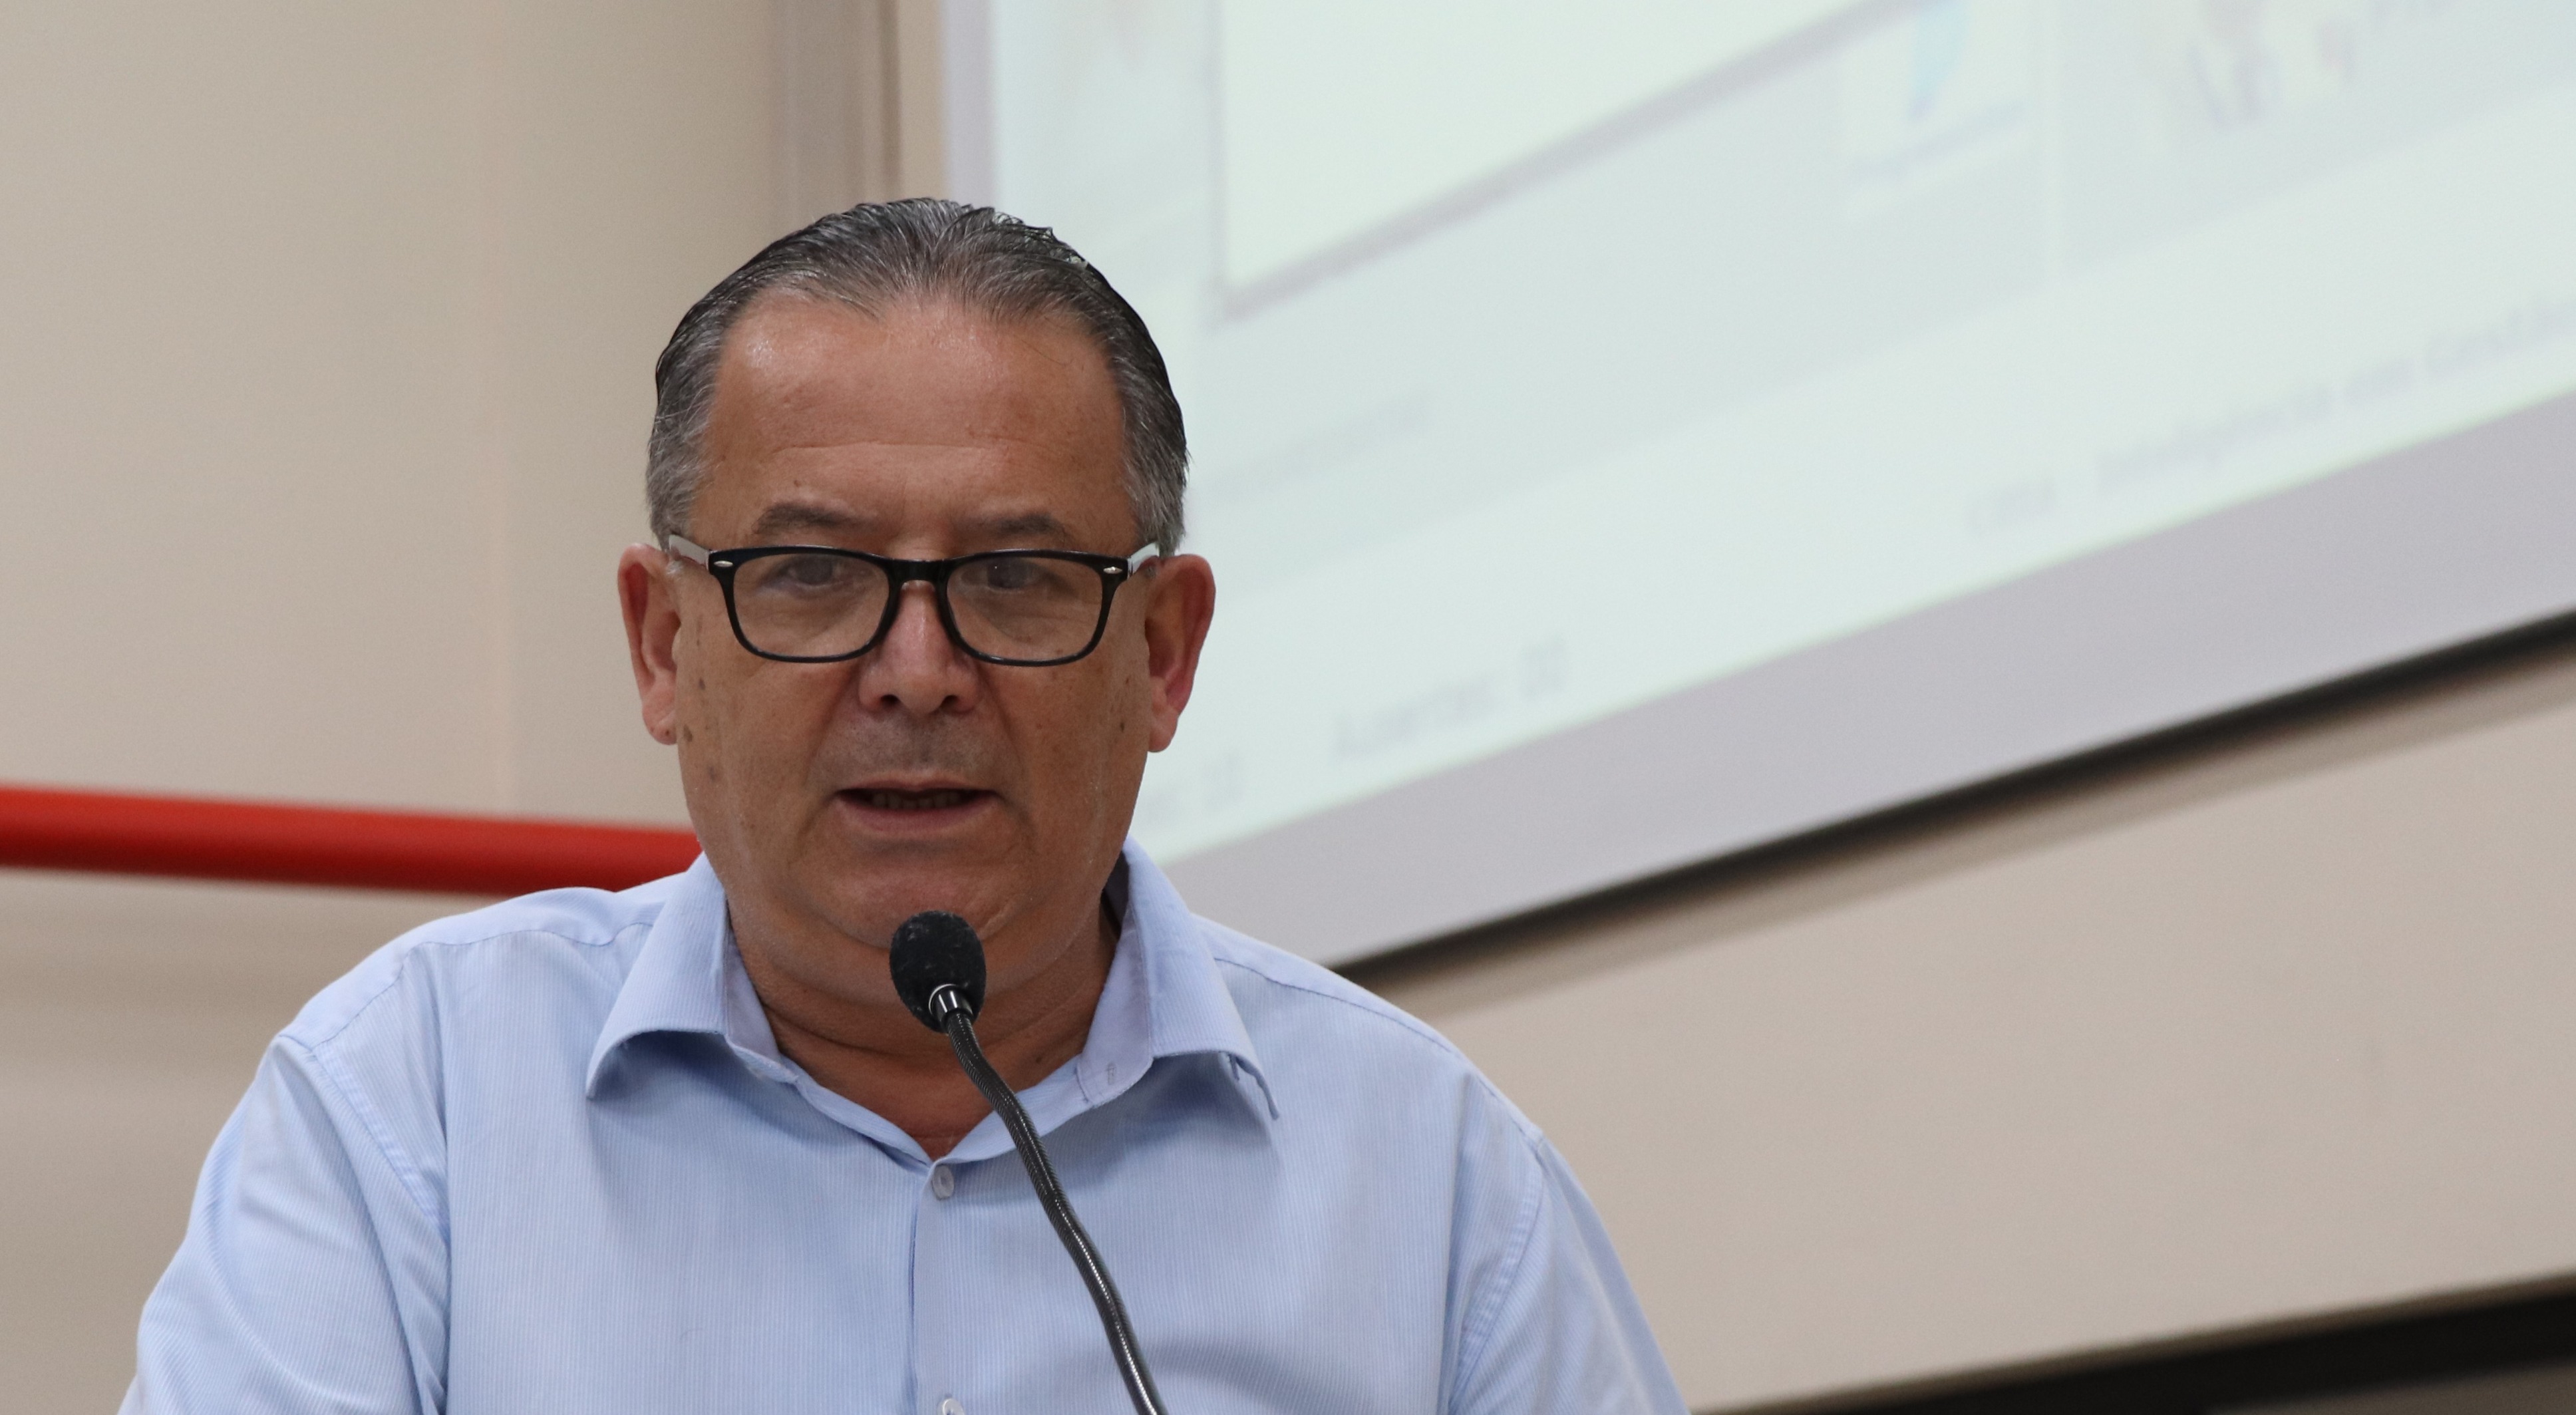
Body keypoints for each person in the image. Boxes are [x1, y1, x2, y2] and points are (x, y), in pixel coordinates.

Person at [125, 200, 1687, 1414]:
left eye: (1015, 576)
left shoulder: (1433, 1180)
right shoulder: (410, 1107)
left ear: (1161, 653)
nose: (919, 672)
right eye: (811, 573)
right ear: (664, 645)